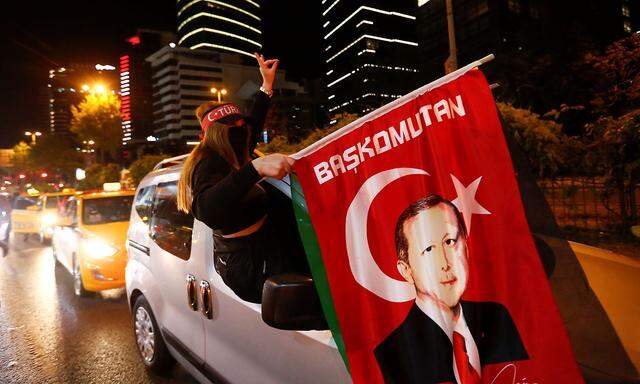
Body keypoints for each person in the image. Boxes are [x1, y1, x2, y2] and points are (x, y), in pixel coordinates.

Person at [177, 53, 307, 303]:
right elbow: (206, 208)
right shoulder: (207, 162)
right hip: (250, 264)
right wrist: (254, 169)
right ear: (220, 135)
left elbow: (253, 121)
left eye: (243, 126)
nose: (245, 130)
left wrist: (266, 86)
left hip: (270, 244)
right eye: (236, 127)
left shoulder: (240, 148)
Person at [374, 195, 528, 384]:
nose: (446, 263)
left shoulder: (496, 316)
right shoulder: (393, 352)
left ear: (467, 247)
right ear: (406, 270)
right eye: (429, 249)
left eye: (449, 242)